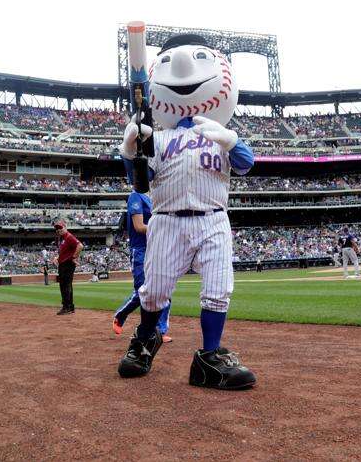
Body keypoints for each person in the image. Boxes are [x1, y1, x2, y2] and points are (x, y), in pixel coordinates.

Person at [116, 32, 256, 389]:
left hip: (213, 219)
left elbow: (246, 164)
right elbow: (141, 182)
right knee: (154, 291)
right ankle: (145, 341)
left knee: (218, 288)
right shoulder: (158, 139)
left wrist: (233, 140)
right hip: (168, 221)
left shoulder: (218, 131)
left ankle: (210, 358)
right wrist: (131, 152)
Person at [113, 189, 172, 342]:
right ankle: (121, 314)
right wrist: (163, 229)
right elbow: (139, 226)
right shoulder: (136, 196)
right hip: (140, 250)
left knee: (163, 288)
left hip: (157, 247)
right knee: (142, 290)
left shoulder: (157, 196)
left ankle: (160, 331)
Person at [54, 220, 83, 315]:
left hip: (67, 264)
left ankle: (67, 307)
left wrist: (74, 257)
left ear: (65, 227)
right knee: (65, 285)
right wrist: (58, 258)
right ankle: (69, 306)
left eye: (60, 228)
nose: (59, 230)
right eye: (57, 228)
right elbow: (65, 251)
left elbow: (80, 246)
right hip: (63, 263)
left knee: (65, 285)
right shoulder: (62, 238)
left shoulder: (69, 237)